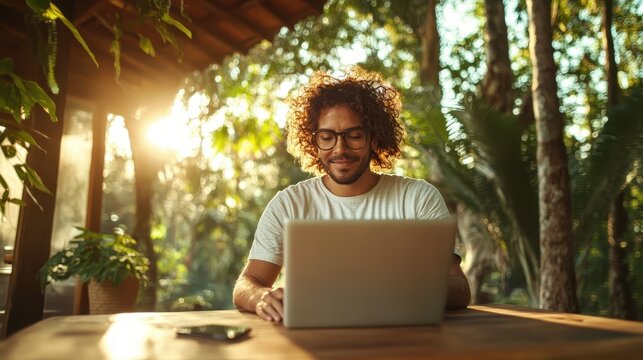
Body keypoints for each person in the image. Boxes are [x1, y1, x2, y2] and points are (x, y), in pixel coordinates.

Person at [232, 66, 471, 322]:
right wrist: (261, 297)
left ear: (375, 139)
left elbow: (459, 288)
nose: (340, 149)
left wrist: (400, 291)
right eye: (327, 137)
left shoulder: (417, 198)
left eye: (354, 136)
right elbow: (248, 283)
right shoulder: (288, 204)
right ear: (313, 142)